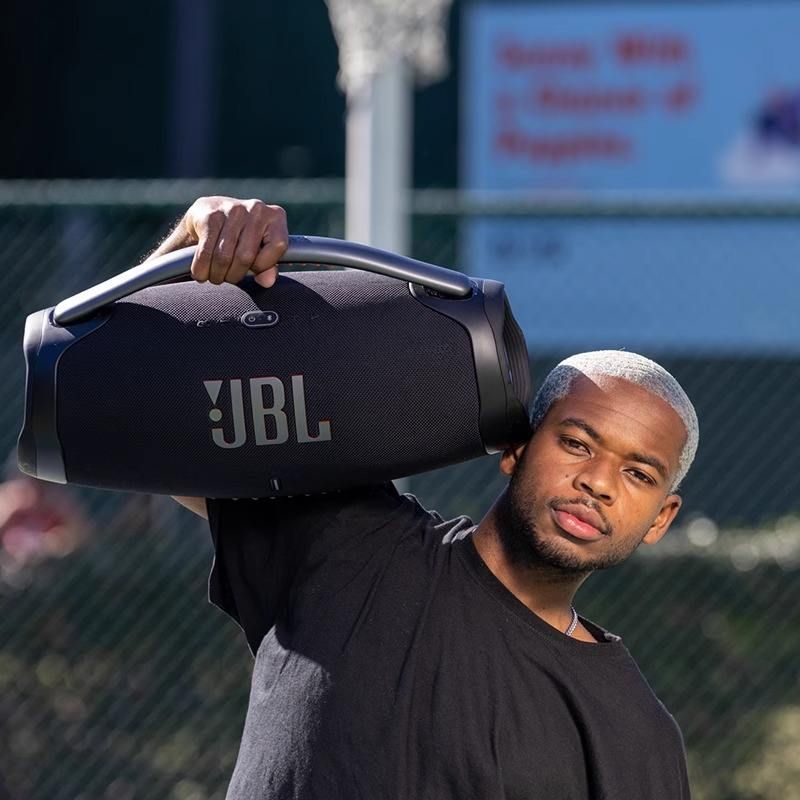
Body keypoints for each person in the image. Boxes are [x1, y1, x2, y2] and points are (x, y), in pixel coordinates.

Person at [156, 197, 697, 799]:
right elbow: (147, 404)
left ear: (661, 519)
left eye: (638, 474)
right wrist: (196, 240)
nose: (598, 481)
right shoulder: (345, 541)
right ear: (516, 448)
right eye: (576, 444)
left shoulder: (636, 738)